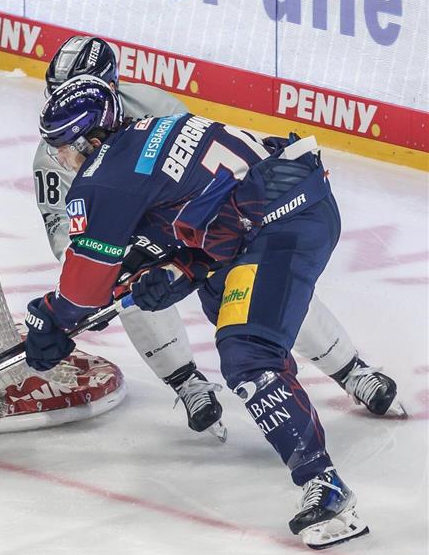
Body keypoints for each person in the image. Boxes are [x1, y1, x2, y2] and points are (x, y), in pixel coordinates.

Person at [25, 75, 386, 548]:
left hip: (279, 228)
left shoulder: (102, 180)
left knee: (247, 352)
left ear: (91, 139)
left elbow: (82, 294)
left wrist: (50, 317)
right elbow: (211, 205)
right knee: (241, 331)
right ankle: (305, 406)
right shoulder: (155, 126)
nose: (60, 158)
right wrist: (178, 269)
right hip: (284, 206)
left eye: (64, 146)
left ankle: (330, 491)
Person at [30, 37, 401, 442]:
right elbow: (69, 243)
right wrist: (102, 282)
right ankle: (186, 381)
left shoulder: (153, 106)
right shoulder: (57, 151)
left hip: (197, 227)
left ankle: (350, 370)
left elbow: (203, 180)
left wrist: (183, 257)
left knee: (261, 281)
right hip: (125, 241)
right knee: (128, 290)